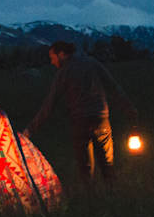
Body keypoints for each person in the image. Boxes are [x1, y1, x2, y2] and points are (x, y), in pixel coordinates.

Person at [22, 40, 138, 186]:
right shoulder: (93, 63)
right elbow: (113, 87)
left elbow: (49, 104)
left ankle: (91, 203)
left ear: (62, 54)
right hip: (101, 119)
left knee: (86, 170)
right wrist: (130, 109)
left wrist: (30, 130)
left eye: (53, 57)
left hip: (80, 122)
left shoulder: (63, 73)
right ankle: (113, 197)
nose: (52, 62)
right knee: (107, 166)